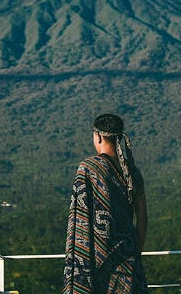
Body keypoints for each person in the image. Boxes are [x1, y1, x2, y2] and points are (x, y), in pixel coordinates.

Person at [63, 114, 148, 294]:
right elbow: (142, 219)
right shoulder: (133, 171)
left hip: (97, 263)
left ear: (98, 136)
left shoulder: (89, 168)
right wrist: (135, 255)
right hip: (129, 261)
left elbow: (79, 220)